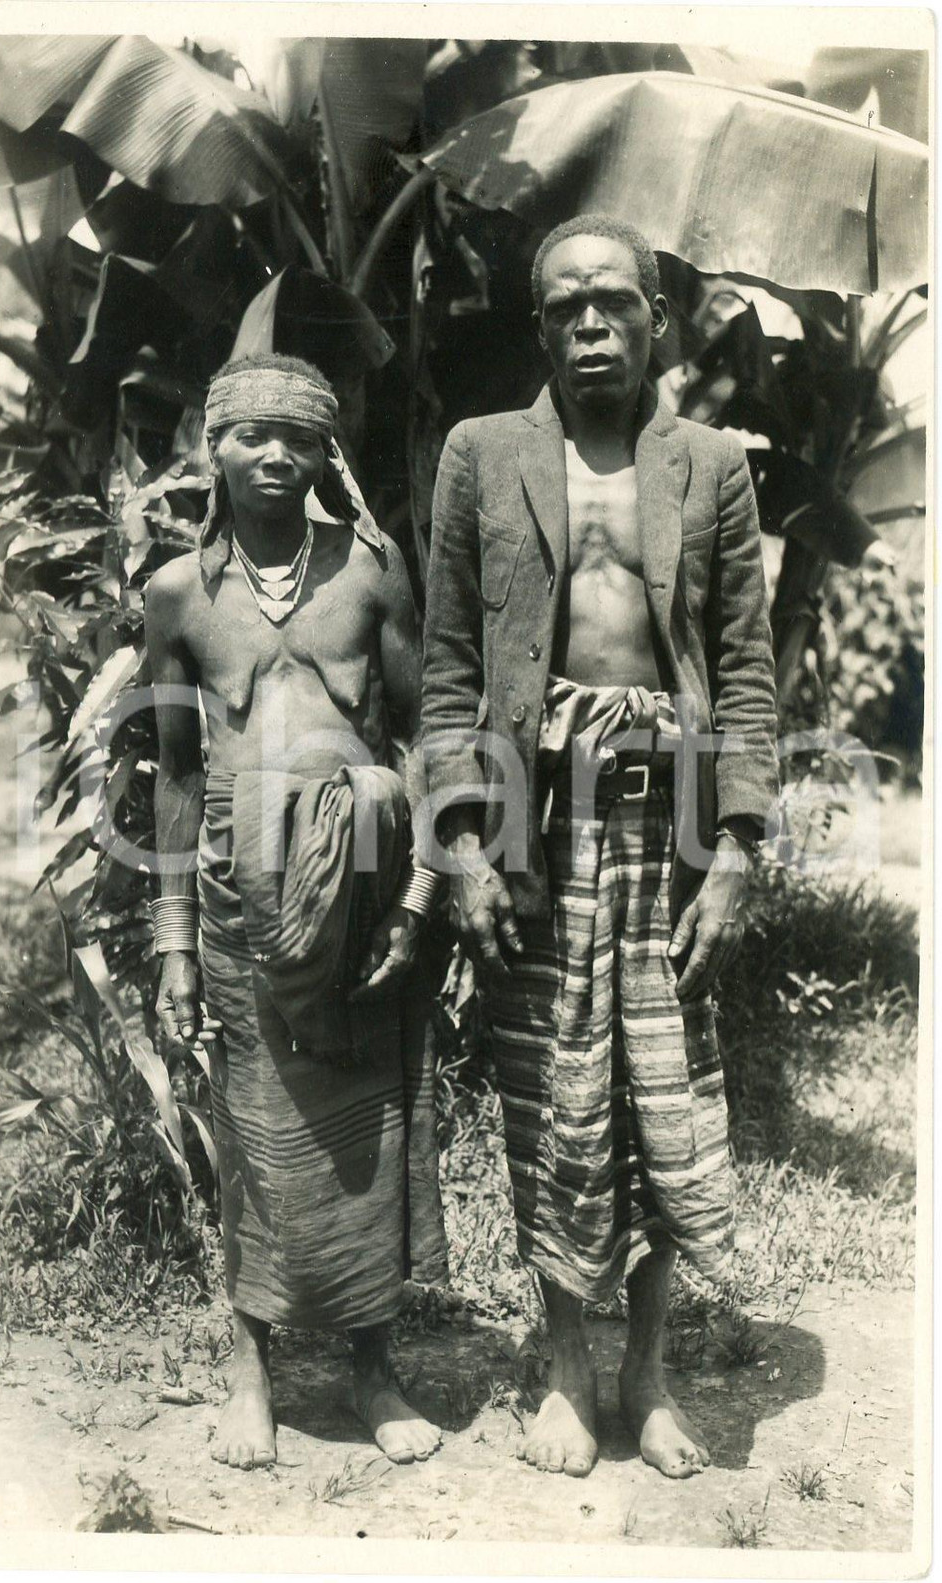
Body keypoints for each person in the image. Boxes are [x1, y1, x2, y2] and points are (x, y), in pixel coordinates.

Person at [420, 216, 779, 1481]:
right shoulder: (482, 454)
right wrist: (460, 841)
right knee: (553, 1087)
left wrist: (735, 846)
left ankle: (652, 1369)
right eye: (565, 304)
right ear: (538, 327)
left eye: (614, 302)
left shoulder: (711, 465)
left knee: (666, 1090)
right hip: (536, 811)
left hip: (669, 814)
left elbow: (741, 668)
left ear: (654, 323)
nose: (589, 323)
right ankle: (568, 1363)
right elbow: (452, 663)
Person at [144, 353, 447, 1471]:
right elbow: (177, 772)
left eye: (301, 437)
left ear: (330, 457)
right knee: (254, 1123)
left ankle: (372, 1368)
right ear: (211, 448)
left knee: (369, 1124)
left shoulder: (370, 573)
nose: (277, 454)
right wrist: (176, 944)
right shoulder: (179, 592)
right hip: (235, 886)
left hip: (363, 882)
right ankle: (250, 1368)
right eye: (252, 434)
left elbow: (416, 735)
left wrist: (419, 892)